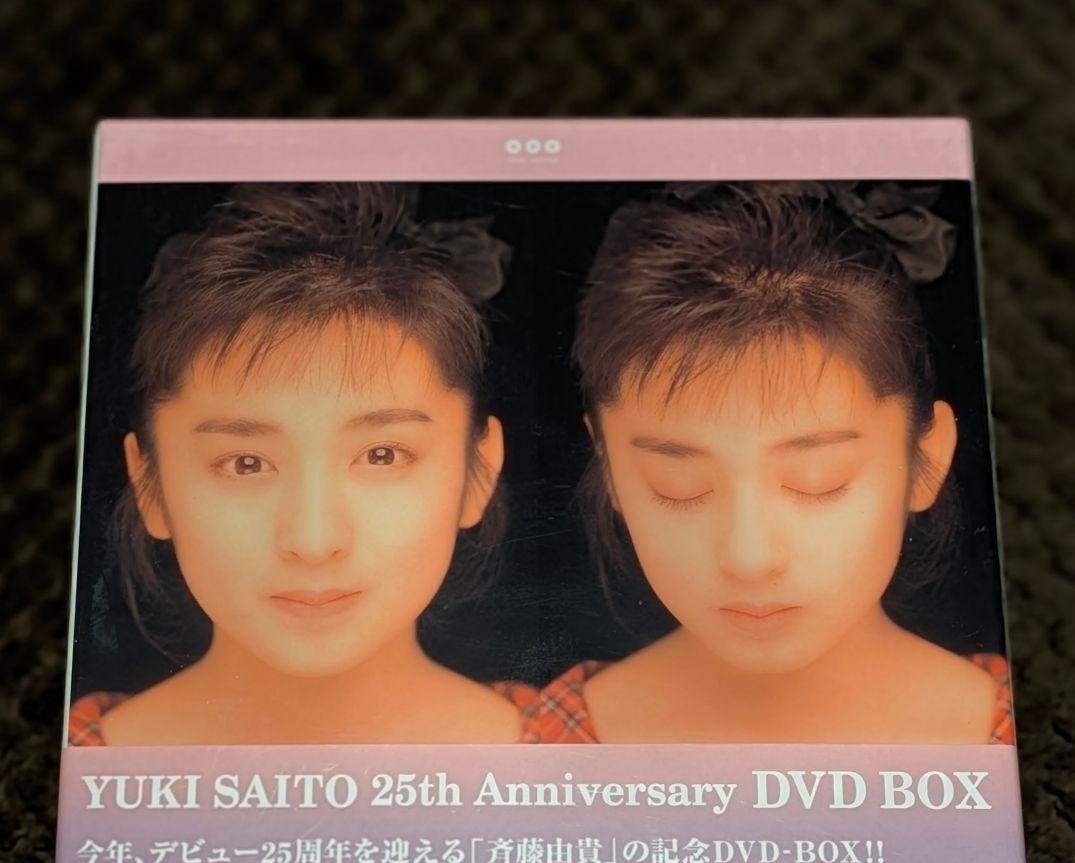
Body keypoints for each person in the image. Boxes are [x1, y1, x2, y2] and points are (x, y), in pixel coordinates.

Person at [520, 182, 1012, 745]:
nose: (750, 558)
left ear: (927, 456)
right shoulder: (546, 745)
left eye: (819, 480)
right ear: (608, 467)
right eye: (678, 485)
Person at [69, 183, 521, 745]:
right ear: (149, 484)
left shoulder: (575, 745)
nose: (313, 541)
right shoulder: (74, 757)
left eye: (381, 455)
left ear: (479, 470)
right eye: (246, 464)